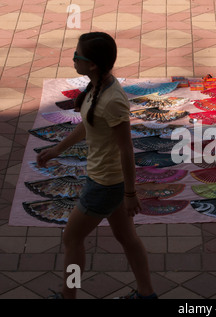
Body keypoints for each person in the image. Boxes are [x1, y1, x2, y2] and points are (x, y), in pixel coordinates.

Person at [37, 32, 156, 299]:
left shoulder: (113, 100)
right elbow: (88, 124)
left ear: (92, 64)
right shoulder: (97, 87)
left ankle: (69, 295)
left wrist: (130, 194)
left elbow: (127, 149)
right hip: (109, 182)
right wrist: (57, 149)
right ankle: (146, 294)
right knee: (127, 239)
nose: (73, 59)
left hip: (105, 184)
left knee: (72, 239)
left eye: (77, 56)